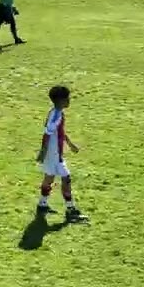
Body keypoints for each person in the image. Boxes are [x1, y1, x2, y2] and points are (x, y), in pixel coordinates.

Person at [36, 85, 88, 223]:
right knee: (66, 178)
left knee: (49, 178)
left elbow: (60, 132)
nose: (69, 100)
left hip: (53, 153)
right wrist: (43, 152)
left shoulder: (55, 112)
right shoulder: (56, 115)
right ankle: (71, 211)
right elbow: (47, 133)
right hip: (53, 154)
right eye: (67, 98)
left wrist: (70, 144)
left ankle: (42, 205)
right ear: (60, 100)